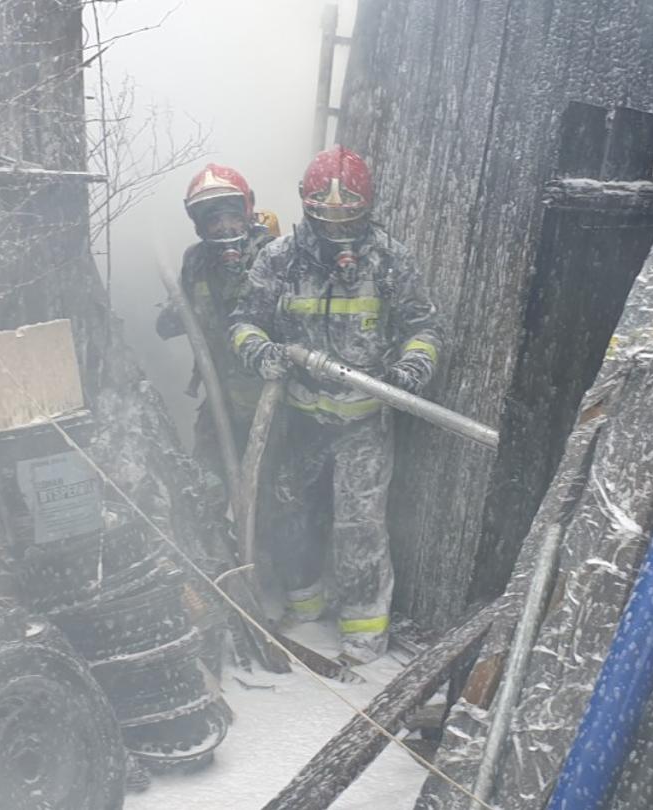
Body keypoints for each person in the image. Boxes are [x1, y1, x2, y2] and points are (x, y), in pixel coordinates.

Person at [228, 145, 441, 664]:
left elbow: (424, 327)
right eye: (327, 215)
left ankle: (364, 631)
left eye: (350, 216)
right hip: (299, 415)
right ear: (307, 205)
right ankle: (304, 605)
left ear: (367, 208)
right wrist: (262, 352)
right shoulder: (280, 259)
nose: (338, 228)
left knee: (359, 524)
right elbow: (244, 321)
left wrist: (411, 370)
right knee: (290, 509)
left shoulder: (390, 259)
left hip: (364, 420)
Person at [157, 164, 279, 469]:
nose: (224, 228)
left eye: (232, 217)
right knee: (205, 480)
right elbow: (173, 321)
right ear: (199, 225)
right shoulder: (196, 261)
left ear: (247, 211)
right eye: (213, 220)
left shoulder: (273, 256)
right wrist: (178, 312)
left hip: (276, 403)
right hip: (220, 398)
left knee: (271, 486)